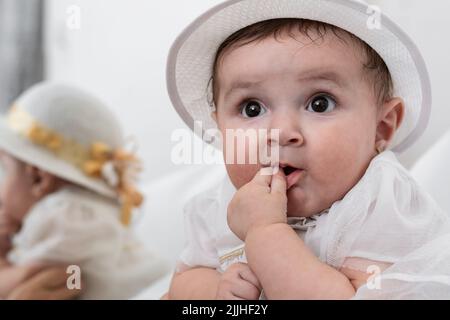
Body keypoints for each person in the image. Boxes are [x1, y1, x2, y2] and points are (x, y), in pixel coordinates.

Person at [166, 0, 450, 299]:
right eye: (251, 108)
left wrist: (265, 232)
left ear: (381, 127)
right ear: (221, 129)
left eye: (319, 103)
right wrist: (216, 291)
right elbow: (182, 282)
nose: (282, 132)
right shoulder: (219, 204)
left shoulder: (379, 203)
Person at [0, 82, 167, 299]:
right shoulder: (87, 213)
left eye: (5, 170)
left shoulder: (64, 215)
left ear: (38, 179)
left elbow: (27, 279)